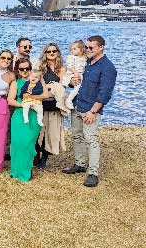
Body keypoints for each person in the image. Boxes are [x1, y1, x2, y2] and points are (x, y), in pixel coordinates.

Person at [63, 35, 117, 188]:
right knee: (77, 136)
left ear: (101, 47)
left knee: (91, 139)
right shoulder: (85, 62)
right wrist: (72, 82)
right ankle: (79, 164)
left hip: (90, 110)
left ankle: (93, 173)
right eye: (86, 47)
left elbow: (105, 93)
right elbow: (77, 83)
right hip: (77, 105)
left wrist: (93, 112)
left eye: (91, 47)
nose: (87, 50)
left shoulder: (108, 68)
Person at [8, 59, 48, 182]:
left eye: (27, 69)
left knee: (27, 144)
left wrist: (30, 98)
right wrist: (24, 104)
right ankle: (15, 170)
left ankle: (26, 170)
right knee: (16, 144)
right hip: (19, 115)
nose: (25, 71)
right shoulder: (15, 83)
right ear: (18, 70)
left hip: (34, 116)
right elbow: (10, 100)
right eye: (21, 69)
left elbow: (45, 95)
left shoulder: (38, 79)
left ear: (31, 69)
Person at [36, 43, 67, 169]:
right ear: (45, 53)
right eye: (49, 51)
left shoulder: (62, 69)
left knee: (51, 133)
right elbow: (39, 85)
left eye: (54, 51)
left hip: (55, 104)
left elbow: (62, 87)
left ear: (58, 52)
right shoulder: (41, 68)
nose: (51, 53)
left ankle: (45, 157)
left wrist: (50, 86)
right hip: (42, 103)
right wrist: (52, 87)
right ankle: (36, 156)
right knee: (38, 132)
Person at [63, 40, 88, 109]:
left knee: (79, 87)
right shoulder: (71, 57)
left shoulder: (84, 57)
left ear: (81, 49)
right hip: (72, 74)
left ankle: (72, 98)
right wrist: (75, 72)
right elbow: (70, 66)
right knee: (77, 86)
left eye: (75, 49)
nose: (72, 50)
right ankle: (69, 100)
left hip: (79, 74)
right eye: (71, 49)